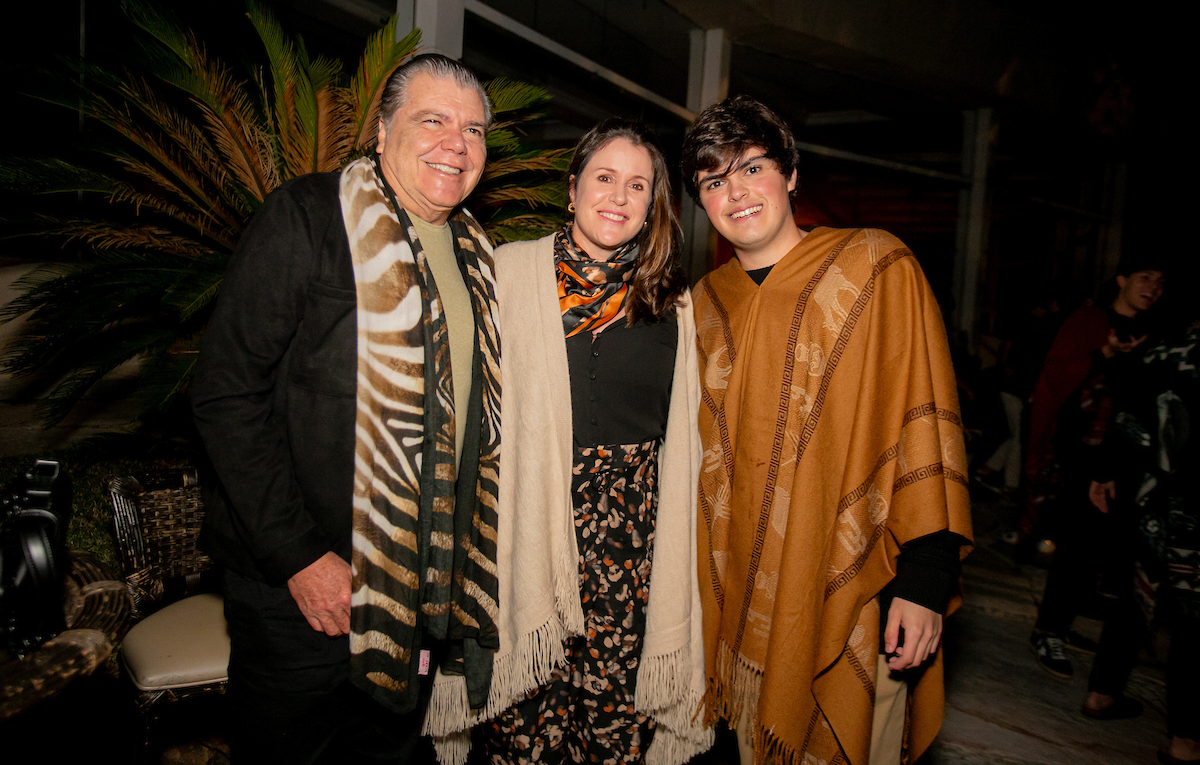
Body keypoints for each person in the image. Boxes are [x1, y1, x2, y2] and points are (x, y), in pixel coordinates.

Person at [191, 54, 502, 763]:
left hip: (419, 590)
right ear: (383, 128)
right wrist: (299, 558)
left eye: (475, 130)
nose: (457, 143)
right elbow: (225, 394)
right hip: (304, 593)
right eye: (434, 120)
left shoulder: (476, 255)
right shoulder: (308, 218)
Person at [682, 95, 973, 765]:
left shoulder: (874, 267)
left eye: (752, 168)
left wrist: (925, 584)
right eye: (714, 181)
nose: (737, 192)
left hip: (855, 583)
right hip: (727, 598)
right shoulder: (703, 304)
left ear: (790, 174)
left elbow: (922, 418)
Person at [422, 119, 712, 765]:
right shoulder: (505, 277)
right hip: (525, 532)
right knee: (524, 731)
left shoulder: (672, 301)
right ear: (574, 188)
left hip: (632, 554)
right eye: (604, 178)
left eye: (637, 185)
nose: (618, 196)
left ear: (653, 204)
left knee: (614, 736)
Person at [1025, 260, 1165, 678]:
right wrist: (1102, 356)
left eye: (1160, 283)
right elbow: (1056, 380)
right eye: (1145, 277)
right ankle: (1047, 630)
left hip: (1125, 460)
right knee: (1078, 545)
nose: (1153, 288)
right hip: (1082, 456)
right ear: (1122, 279)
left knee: (1104, 551)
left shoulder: (1149, 332)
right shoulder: (1090, 321)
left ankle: (1062, 625)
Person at [1075, 318, 1199, 765]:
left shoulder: (1170, 345)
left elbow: (1130, 415)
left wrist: (1105, 471)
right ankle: (1186, 740)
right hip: (1189, 509)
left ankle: (1101, 694)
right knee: (1192, 619)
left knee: (1134, 593)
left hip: (1149, 498)